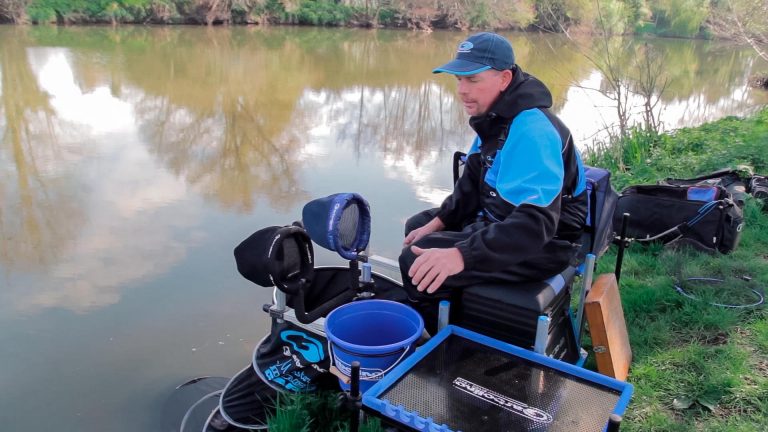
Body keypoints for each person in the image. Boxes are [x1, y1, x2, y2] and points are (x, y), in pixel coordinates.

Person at [399, 32, 588, 333]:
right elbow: (472, 182)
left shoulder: (532, 130)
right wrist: (440, 220)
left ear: (503, 78)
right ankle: (452, 306)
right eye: (458, 79)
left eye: (472, 80)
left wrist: (462, 255)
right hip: (502, 219)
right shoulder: (496, 117)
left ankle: (444, 340)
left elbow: (534, 224)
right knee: (417, 228)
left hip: (547, 243)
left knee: (414, 260)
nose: (461, 90)